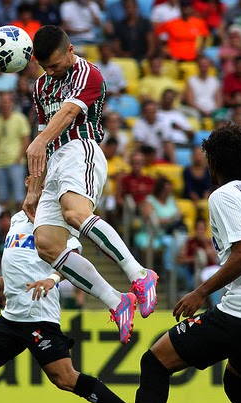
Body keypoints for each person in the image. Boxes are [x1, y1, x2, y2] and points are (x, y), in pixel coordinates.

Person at [134, 122, 241, 403]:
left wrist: (199, 292)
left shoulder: (223, 196)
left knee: (155, 361)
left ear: (213, 162)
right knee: (238, 387)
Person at [24, 26, 158, 341]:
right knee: (46, 243)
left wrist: (40, 140)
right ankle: (117, 301)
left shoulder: (89, 74)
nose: (51, 71)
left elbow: (69, 114)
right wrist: (34, 189)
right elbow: (45, 136)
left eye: (55, 64)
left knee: (74, 212)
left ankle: (140, 274)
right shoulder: (41, 86)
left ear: (70, 50)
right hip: (55, 163)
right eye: (45, 67)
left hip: (81, 151)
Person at [0, 209, 130, 403]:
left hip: (38, 315)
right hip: (12, 318)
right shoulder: (16, 218)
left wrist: (52, 278)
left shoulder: (58, 219)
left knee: (65, 378)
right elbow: (22, 271)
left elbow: (74, 260)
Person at [0, 92, 30, 208]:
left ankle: (22, 222)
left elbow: (25, 139)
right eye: (2, 102)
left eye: (7, 102)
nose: (4, 104)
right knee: (2, 198)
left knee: (19, 197)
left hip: (15, 162)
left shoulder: (20, 119)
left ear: (12, 104)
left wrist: (20, 157)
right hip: (0, 163)